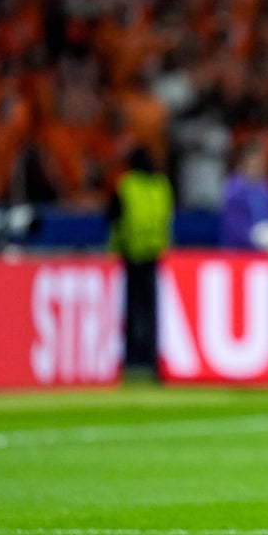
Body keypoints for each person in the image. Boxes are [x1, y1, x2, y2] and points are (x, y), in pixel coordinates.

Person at [106, 146, 174, 380]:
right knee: (154, 311)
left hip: (130, 255)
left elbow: (112, 215)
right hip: (156, 255)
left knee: (130, 311)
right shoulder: (162, 185)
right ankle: (153, 359)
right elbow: (168, 217)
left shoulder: (127, 184)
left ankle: (131, 359)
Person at [219, 136, 268, 252]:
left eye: (261, 162)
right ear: (244, 162)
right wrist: (256, 238)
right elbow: (234, 225)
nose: (258, 166)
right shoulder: (233, 189)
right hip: (239, 253)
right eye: (254, 162)